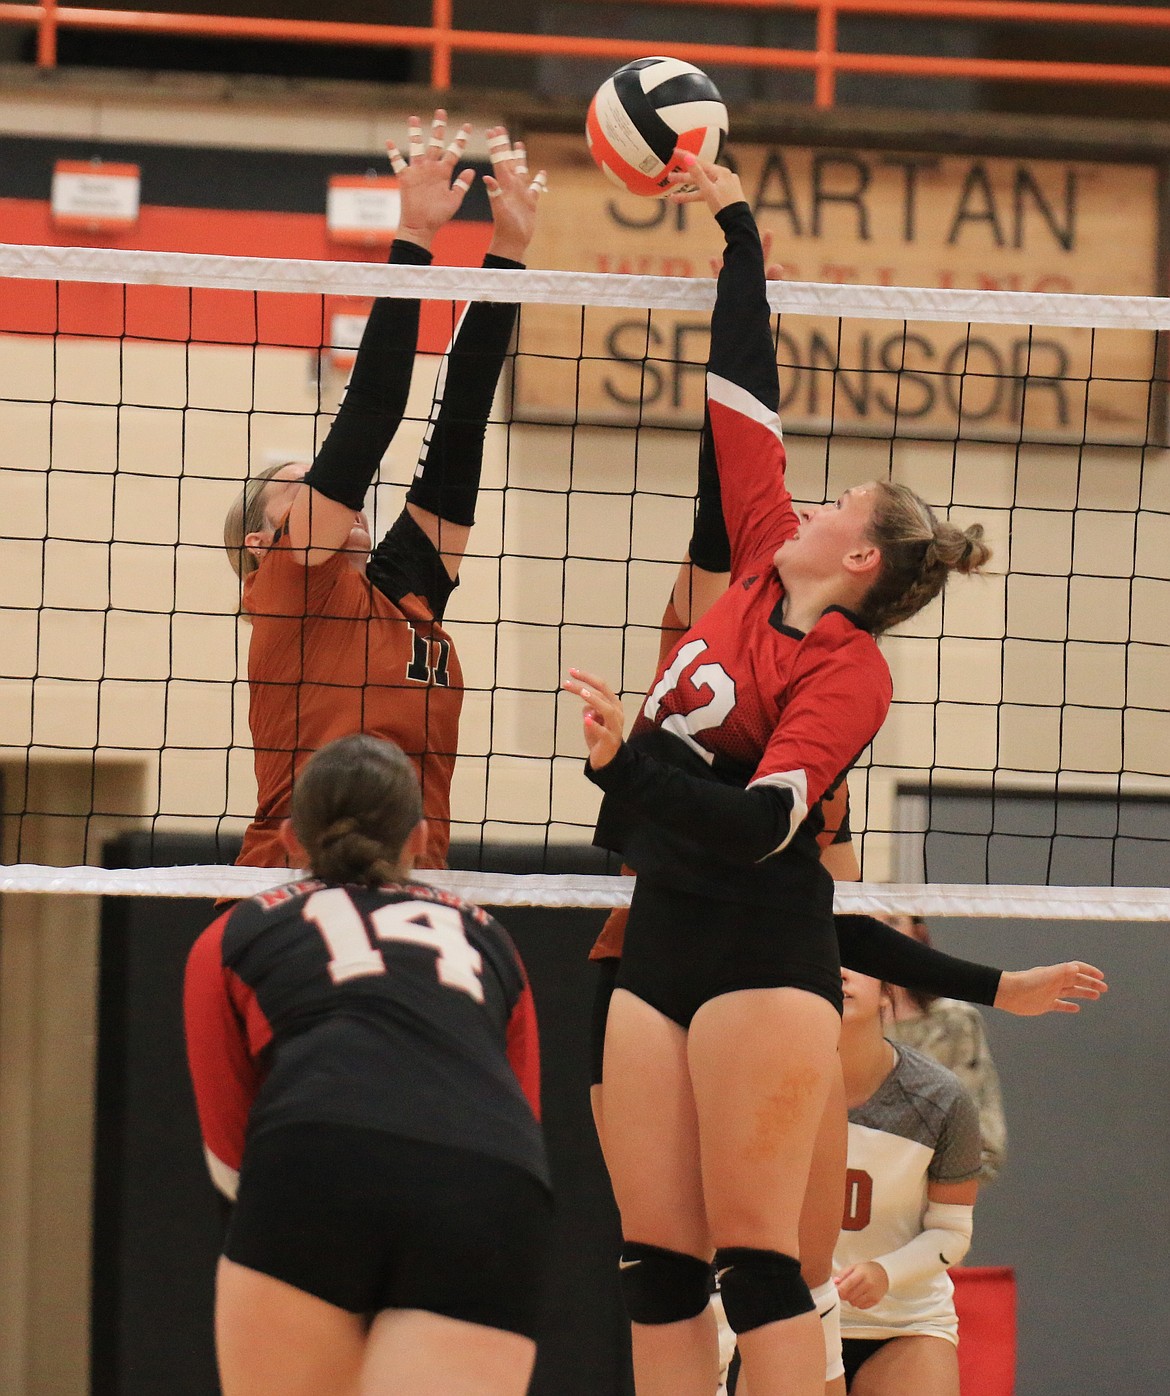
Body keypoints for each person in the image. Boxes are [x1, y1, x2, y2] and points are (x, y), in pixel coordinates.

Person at [563, 153, 1105, 1396]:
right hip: (658, 939)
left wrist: (627, 761)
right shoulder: (757, 557)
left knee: (759, 1271)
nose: (811, 493)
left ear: (858, 553)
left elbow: (763, 825)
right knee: (653, 1266)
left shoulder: (854, 672)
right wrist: (736, 228)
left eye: (840, 496)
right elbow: (741, 395)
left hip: (764, 950)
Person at [224, 111, 546, 871]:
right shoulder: (289, 587)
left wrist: (509, 252)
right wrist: (414, 239)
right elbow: (366, 419)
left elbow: (460, 424)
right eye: (294, 485)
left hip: (414, 890)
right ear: (258, 542)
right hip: (295, 886)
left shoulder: (405, 589)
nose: (322, 484)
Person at [184, 733, 552, 1396]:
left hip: (316, 1157)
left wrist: (272, 1246)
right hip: (484, 1184)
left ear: (291, 840)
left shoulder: (232, 936)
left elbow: (229, 1148)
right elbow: (521, 1113)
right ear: (419, 837)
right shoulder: (491, 938)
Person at [833, 967, 980, 1394]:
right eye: (825, 953)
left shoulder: (940, 1097)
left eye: (856, 959)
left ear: (887, 991)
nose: (839, 971)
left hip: (906, 1321)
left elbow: (951, 1233)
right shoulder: (768, 1085)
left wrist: (884, 1271)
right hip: (796, 1316)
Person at [883, 915, 1007, 1183]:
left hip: (935, 1187)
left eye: (891, 921)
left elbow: (980, 1131)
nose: (881, 934)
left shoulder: (954, 1021)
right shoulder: (835, 1019)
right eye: (869, 923)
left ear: (918, 934)